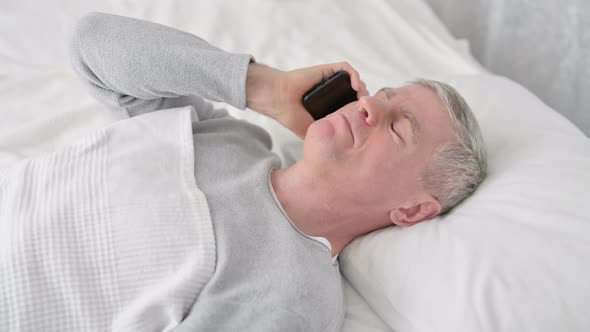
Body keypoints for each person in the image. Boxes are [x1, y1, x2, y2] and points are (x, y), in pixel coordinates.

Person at [71, 12, 487, 331]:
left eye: (398, 128)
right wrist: (260, 87)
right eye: (381, 95)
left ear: (413, 210)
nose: (370, 106)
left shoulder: (297, 294)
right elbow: (93, 44)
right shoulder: (229, 137)